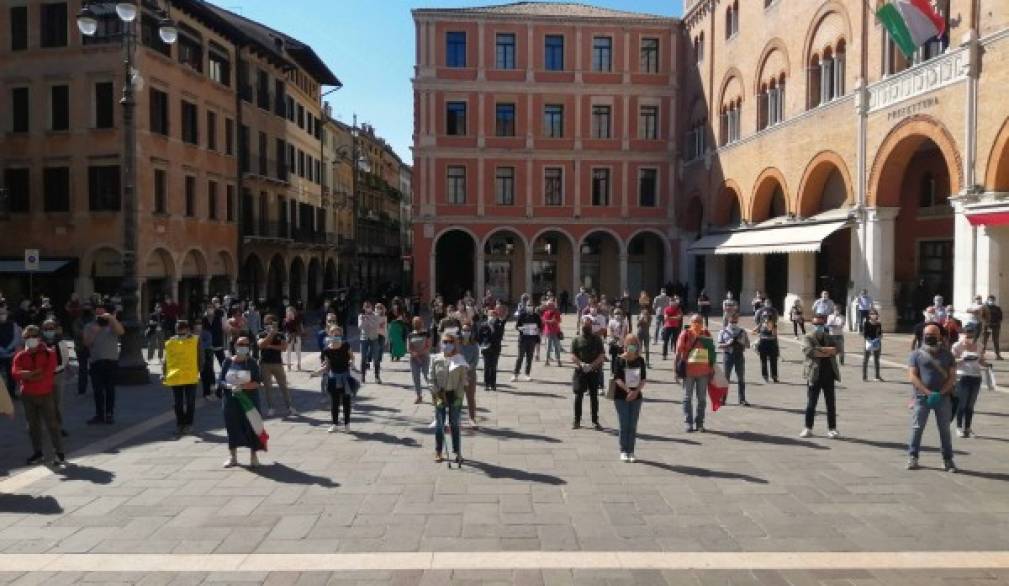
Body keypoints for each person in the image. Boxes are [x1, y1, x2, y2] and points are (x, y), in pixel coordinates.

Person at [906, 324, 957, 472]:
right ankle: (913, 457)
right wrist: (928, 392)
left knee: (945, 430)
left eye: (933, 334)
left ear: (940, 336)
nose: (930, 337)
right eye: (927, 334)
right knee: (917, 428)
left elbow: (952, 377)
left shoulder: (948, 355)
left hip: (943, 398)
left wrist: (940, 393)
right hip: (922, 397)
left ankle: (948, 459)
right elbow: (912, 376)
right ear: (923, 335)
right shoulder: (916, 354)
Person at [13, 325, 65, 466]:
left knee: (52, 424)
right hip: (28, 395)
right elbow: (15, 372)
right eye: (28, 337)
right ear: (24, 339)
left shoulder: (49, 353)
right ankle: (38, 452)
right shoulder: (21, 355)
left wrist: (28, 375)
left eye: (34, 335)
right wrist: (30, 374)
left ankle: (59, 453)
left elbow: (48, 372)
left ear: (39, 337)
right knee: (32, 426)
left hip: (45, 394)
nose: (31, 339)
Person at [219, 337, 265, 468]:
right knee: (232, 427)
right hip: (231, 401)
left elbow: (257, 382)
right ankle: (233, 457)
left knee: (252, 426)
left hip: (249, 401)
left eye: (246, 344)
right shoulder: (227, 362)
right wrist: (229, 386)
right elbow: (220, 381)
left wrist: (244, 387)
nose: (243, 346)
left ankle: (253, 456)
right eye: (240, 344)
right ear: (234, 345)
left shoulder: (252, 363)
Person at [800, 314, 841, 439]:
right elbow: (809, 351)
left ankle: (832, 428)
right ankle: (808, 428)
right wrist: (827, 351)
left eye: (821, 325)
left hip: (829, 374)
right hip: (814, 375)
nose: (819, 327)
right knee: (811, 403)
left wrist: (820, 351)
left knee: (831, 404)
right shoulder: (808, 337)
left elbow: (838, 349)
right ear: (813, 325)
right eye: (816, 324)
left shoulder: (829, 337)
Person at [430, 332, 467, 464]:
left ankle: (457, 451)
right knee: (439, 424)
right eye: (445, 341)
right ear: (441, 343)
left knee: (455, 424)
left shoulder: (459, 359)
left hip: (454, 394)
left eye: (450, 342)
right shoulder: (435, 358)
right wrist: (436, 394)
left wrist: (459, 397)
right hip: (440, 394)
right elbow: (431, 379)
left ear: (455, 343)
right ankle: (438, 451)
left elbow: (463, 381)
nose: (447, 344)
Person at [84, 306, 124, 425]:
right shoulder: (89, 326)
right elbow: (86, 343)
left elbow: (121, 332)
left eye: (102, 314)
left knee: (110, 389)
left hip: (111, 362)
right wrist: (94, 333)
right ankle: (99, 415)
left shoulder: (112, 325)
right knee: (97, 390)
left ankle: (109, 414)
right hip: (96, 362)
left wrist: (111, 318)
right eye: (98, 314)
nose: (100, 316)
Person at [675, 314, 716, 433]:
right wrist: (675, 371)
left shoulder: (707, 334)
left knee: (702, 399)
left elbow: (712, 353)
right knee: (687, 397)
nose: (697, 324)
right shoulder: (685, 334)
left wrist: (712, 369)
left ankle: (700, 423)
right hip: (688, 372)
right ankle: (688, 422)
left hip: (703, 372)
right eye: (694, 321)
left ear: (703, 322)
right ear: (690, 322)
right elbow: (678, 353)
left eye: (699, 321)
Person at [612, 334, 646, 463]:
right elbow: (617, 378)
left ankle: (631, 451)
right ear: (625, 345)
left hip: (636, 397)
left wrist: (636, 391)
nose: (631, 346)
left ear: (637, 346)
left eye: (634, 344)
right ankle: (623, 450)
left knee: (633, 425)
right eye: (629, 344)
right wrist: (628, 391)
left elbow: (643, 379)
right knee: (624, 424)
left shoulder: (640, 360)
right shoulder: (619, 359)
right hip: (621, 397)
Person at [163, 320, 199, 436]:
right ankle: (180, 423)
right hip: (176, 376)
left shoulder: (195, 340)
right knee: (177, 403)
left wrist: (200, 370)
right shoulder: (171, 342)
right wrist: (164, 373)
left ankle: (188, 424)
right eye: (178, 329)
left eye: (182, 329)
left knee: (190, 402)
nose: (180, 332)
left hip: (190, 376)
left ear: (187, 329)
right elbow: (166, 359)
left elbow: (200, 356)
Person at [315, 327, 355, 433]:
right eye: (334, 335)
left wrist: (352, 363)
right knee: (334, 402)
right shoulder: (327, 350)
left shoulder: (346, 345)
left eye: (338, 335)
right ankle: (334, 424)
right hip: (333, 377)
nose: (336, 337)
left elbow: (352, 357)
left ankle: (347, 425)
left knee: (346, 401)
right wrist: (317, 372)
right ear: (330, 336)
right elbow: (327, 366)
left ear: (341, 335)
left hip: (345, 376)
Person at [257, 315, 296, 417]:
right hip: (265, 364)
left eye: (271, 323)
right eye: (266, 323)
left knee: (283, 386)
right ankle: (271, 408)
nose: (268, 325)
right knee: (267, 388)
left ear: (275, 323)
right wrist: (271, 334)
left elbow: (283, 348)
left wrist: (269, 345)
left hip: (277, 363)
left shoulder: (280, 335)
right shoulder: (261, 334)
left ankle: (290, 407)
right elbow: (261, 345)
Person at [570, 317, 605, 430]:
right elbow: (573, 355)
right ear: (581, 325)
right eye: (585, 324)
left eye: (589, 324)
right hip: (581, 371)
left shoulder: (597, 339)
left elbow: (601, 355)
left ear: (591, 326)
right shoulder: (576, 340)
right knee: (578, 396)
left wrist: (592, 365)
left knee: (594, 397)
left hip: (593, 371)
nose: (587, 326)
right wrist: (581, 364)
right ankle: (577, 420)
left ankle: (595, 421)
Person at [952, 325, 985, 438]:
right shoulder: (957, 345)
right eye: (967, 333)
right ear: (963, 333)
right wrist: (962, 358)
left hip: (976, 377)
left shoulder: (979, 345)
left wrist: (987, 365)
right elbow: (952, 361)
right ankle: (958, 427)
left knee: (970, 405)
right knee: (962, 404)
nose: (969, 335)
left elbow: (981, 360)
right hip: (963, 376)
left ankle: (968, 428)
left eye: (972, 333)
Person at [717, 315, 750, 406]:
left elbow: (748, 345)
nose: (734, 323)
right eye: (732, 322)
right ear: (728, 321)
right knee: (726, 378)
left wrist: (741, 342)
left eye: (735, 321)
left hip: (739, 355)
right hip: (728, 356)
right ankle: (722, 399)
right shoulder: (723, 331)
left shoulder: (742, 331)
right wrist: (728, 343)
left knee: (741, 378)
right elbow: (719, 345)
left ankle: (742, 399)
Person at [511, 302, 542, 383]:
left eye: (531, 305)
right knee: (520, 357)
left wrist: (537, 330)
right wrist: (522, 328)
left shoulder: (536, 316)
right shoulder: (522, 315)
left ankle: (527, 374)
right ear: (526, 307)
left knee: (529, 357)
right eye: (528, 306)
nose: (530, 307)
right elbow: (517, 327)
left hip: (532, 339)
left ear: (533, 306)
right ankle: (515, 374)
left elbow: (540, 327)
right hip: (523, 339)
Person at [478, 304, 506, 391]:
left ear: (496, 316)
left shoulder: (499, 325)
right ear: (488, 316)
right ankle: (486, 384)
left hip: (495, 348)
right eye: (490, 315)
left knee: (493, 366)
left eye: (493, 316)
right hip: (486, 349)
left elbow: (500, 336)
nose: (492, 317)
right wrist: (482, 344)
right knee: (486, 366)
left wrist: (492, 328)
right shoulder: (483, 325)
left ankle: (493, 384)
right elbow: (479, 337)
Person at [458, 322, 480, 428]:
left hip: (470, 374)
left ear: (471, 332)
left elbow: (475, 361)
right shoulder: (457, 344)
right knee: (458, 397)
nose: (465, 332)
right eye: (464, 330)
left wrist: (468, 369)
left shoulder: (474, 345)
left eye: (468, 330)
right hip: (458, 374)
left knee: (470, 397)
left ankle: (472, 418)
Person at [0, 306, 23, 400]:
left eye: (3, 313)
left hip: (11, 354)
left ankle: (11, 393)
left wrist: (10, 348)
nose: (2, 316)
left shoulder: (14, 325)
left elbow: (17, 338)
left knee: (11, 375)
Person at [408, 317, 431, 404]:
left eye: (418, 322)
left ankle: (434, 395)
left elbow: (428, 346)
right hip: (414, 359)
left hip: (425, 357)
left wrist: (420, 353)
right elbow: (409, 347)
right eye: (415, 322)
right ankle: (418, 396)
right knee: (416, 377)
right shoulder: (410, 335)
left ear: (422, 323)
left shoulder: (426, 333)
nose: (416, 324)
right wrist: (415, 355)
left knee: (427, 376)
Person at [755, 315, 779, 383]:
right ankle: (765, 376)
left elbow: (774, 335)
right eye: (765, 319)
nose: (766, 320)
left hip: (772, 344)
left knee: (773, 361)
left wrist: (771, 328)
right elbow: (753, 331)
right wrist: (759, 334)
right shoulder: (761, 325)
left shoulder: (774, 325)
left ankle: (774, 377)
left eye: (768, 319)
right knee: (763, 361)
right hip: (763, 344)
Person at [862, 310, 883, 381]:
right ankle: (864, 376)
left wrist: (879, 337)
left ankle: (877, 376)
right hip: (868, 342)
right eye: (872, 314)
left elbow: (880, 333)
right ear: (869, 315)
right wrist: (869, 340)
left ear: (877, 315)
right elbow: (865, 334)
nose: (873, 315)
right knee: (865, 360)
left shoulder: (878, 324)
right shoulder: (866, 323)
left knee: (876, 360)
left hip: (876, 342)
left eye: (875, 314)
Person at [541, 300, 563, 367]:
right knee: (548, 347)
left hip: (556, 331)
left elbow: (559, 321)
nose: (551, 306)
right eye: (549, 305)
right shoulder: (545, 313)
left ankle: (558, 360)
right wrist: (551, 321)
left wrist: (552, 321)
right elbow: (543, 321)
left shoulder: (557, 312)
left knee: (557, 347)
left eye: (552, 305)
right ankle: (547, 360)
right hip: (548, 332)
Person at [282, 306, 304, 371]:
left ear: (294, 312)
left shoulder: (298, 319)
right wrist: (288, 320)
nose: (289, 313)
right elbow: (284, 328)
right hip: (289, 336)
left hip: (297, 336)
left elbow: (300, 327)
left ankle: (299, 364)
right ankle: (288, 365)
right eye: (288, 312)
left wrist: (294, 319)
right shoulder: (285, 320)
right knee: (288, 351)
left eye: (291, 311)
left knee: (298, 351)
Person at [981, 295, 1002, 360]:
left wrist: (997, 323)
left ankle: (997, 355)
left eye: (992, 300)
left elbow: (1000, 317)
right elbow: (982, 317)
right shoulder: (984, 307)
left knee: (996, 340)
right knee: (984, 341)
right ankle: (981, 355)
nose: (991, 301)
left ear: (994, 300)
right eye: (990, 300)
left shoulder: (997, 308)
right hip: (987, 326)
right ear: (987, 300)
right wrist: (986, 323)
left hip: (995, 326)